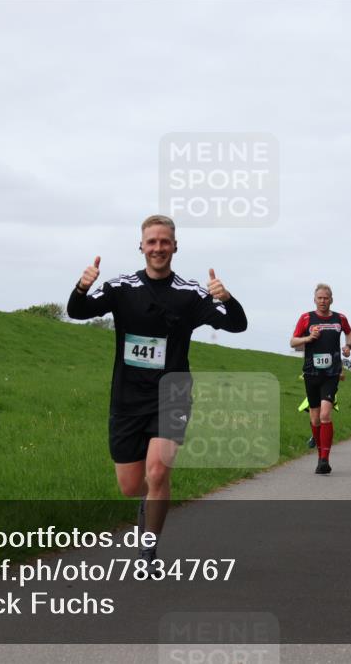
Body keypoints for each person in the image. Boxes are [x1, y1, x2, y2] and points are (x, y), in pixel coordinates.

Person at [66, 215, 247, 563]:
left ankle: (149, 547)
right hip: (127, 397)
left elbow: (237, 325)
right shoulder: (121, 288)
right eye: (152, 242)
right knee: (131, 486)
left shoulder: (190, 294)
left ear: (175, 246)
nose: (158, 248)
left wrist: (228, 298)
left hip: (173, 394)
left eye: (165, 242)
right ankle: (147, 503)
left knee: (158, 471)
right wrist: (81, 286)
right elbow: (77, 311)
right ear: (141, 246)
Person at [290, 284, 351, 475]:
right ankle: (320, 456)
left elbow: (349, 332)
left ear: (331, 299)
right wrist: (308, 338)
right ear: (315, 299)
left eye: (326, 298)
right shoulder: (306, 318)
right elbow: (293, 341)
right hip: (311, 373)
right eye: (319, 298)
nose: (323, 301)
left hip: (332, 373)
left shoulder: (340, 318)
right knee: (315, 418)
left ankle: (325, 459)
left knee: (326, 415)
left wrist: (348, 346)